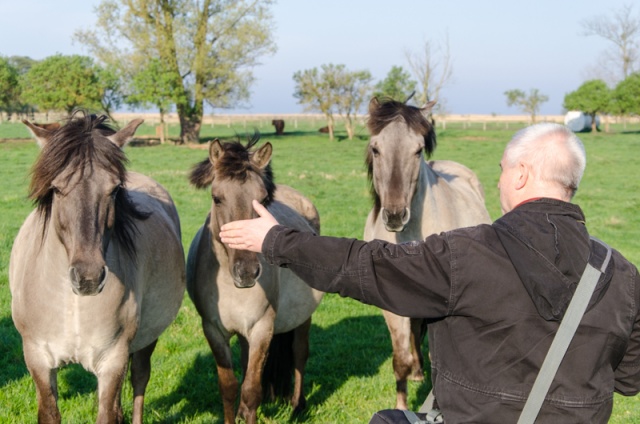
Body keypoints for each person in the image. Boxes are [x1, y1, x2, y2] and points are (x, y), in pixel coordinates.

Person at [219, 122, 640, 423]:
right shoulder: (621, 273)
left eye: (502, 170)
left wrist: (276, 240)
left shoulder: (465, 254)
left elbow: (365, 267)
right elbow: (629, 378)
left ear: (523, 174)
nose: (498, 181)